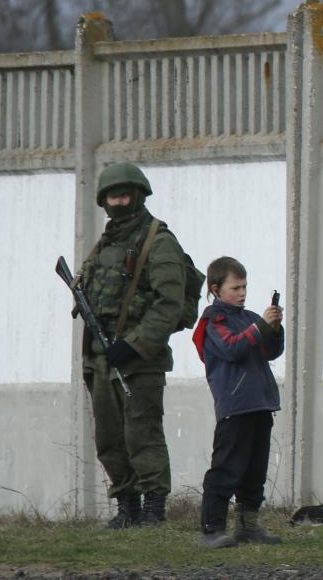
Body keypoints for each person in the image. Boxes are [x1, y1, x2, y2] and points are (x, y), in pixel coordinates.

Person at [77, 162, 188, 528]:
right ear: (104, 201)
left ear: (138, 195)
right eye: (113, 195)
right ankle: (127, 508)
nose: (120, 202)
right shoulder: (104, 245)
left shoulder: (159, 241)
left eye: (125, 194)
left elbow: (169, 303)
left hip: (140, 360)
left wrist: (134, 344)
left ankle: (154, 509)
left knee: (142, 434)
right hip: (100, 356)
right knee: (109, 438)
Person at [194, 256, 285, 549]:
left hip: (259, 404)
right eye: (236, 287)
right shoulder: (213, 321)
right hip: (235, 407)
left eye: (244, 286)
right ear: (216, 288)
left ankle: (248, 527)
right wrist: (260, 326)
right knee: (225, 469)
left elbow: (270, 351)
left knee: (254, 471)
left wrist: (274, 328)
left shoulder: (247, 319)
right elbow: (232, 348)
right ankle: (211, 529)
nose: (242, 293)